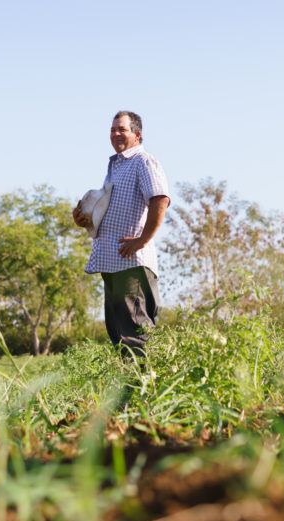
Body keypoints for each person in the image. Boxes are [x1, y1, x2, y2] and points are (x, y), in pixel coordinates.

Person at [73, 110, 170, 355]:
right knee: (119, 336)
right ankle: (130, 381)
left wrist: (143, 240)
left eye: (122, 129)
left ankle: (149, 380)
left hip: (131, 263)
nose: (116, 134)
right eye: (112, 130)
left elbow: (160, 199)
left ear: (137, 134)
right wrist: (84, 219)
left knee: (136, 334)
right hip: (112, 262)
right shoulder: (116, 168)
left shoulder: (144, 161)